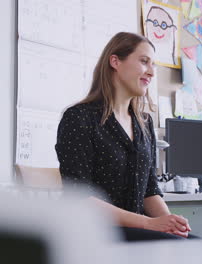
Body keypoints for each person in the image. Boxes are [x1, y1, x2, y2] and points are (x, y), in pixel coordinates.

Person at [55, 32, 192, 241]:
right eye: (144, 61)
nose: (152, 72)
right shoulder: (79, 118)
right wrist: (149, 223)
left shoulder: (144, 123)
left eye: (153, 65)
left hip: (138, 230)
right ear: (115, 61)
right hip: (97, 233)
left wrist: (171, 223)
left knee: (195, 244)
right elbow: (80, 198)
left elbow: (149, 191)